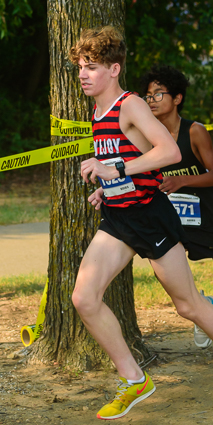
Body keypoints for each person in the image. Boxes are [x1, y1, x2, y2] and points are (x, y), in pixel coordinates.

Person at [69, 27, 213, 420]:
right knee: (83, 298)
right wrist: (108, 188)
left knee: (190, 306)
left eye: (92, 67)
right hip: (118, 218)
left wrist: (114, 169)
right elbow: (134, 163)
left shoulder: (130, 104)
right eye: (81, 67)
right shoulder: (96, 112)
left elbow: (166, 151)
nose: (83, 74)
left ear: (114, 69)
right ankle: (135, 380)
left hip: (152, 217)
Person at [141, 64, 213, 348]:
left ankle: (207, 307)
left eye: (159, 94)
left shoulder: (195, 131)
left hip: (205, 213)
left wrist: (183, 181)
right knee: (168, 274)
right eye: (148, 95)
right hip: (170, 217)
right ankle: (201, 310)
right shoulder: (148, 137)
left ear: (177, 98)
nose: (152, 100)